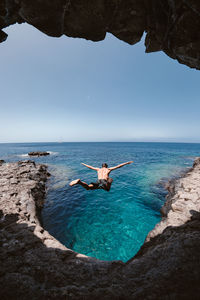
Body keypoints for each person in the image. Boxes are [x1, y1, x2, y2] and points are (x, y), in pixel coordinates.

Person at [69, 161, 133, 191]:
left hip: (98, 181)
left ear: (102, 166)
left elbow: (90, 167)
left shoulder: (98, 169)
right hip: (104, 181)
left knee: (88, 187)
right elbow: (118, 166)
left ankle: (79, 182)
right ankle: (109, 182)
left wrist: (84, 164)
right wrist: (126, 163)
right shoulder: (108, 169)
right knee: (107, 189)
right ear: (106, 166)